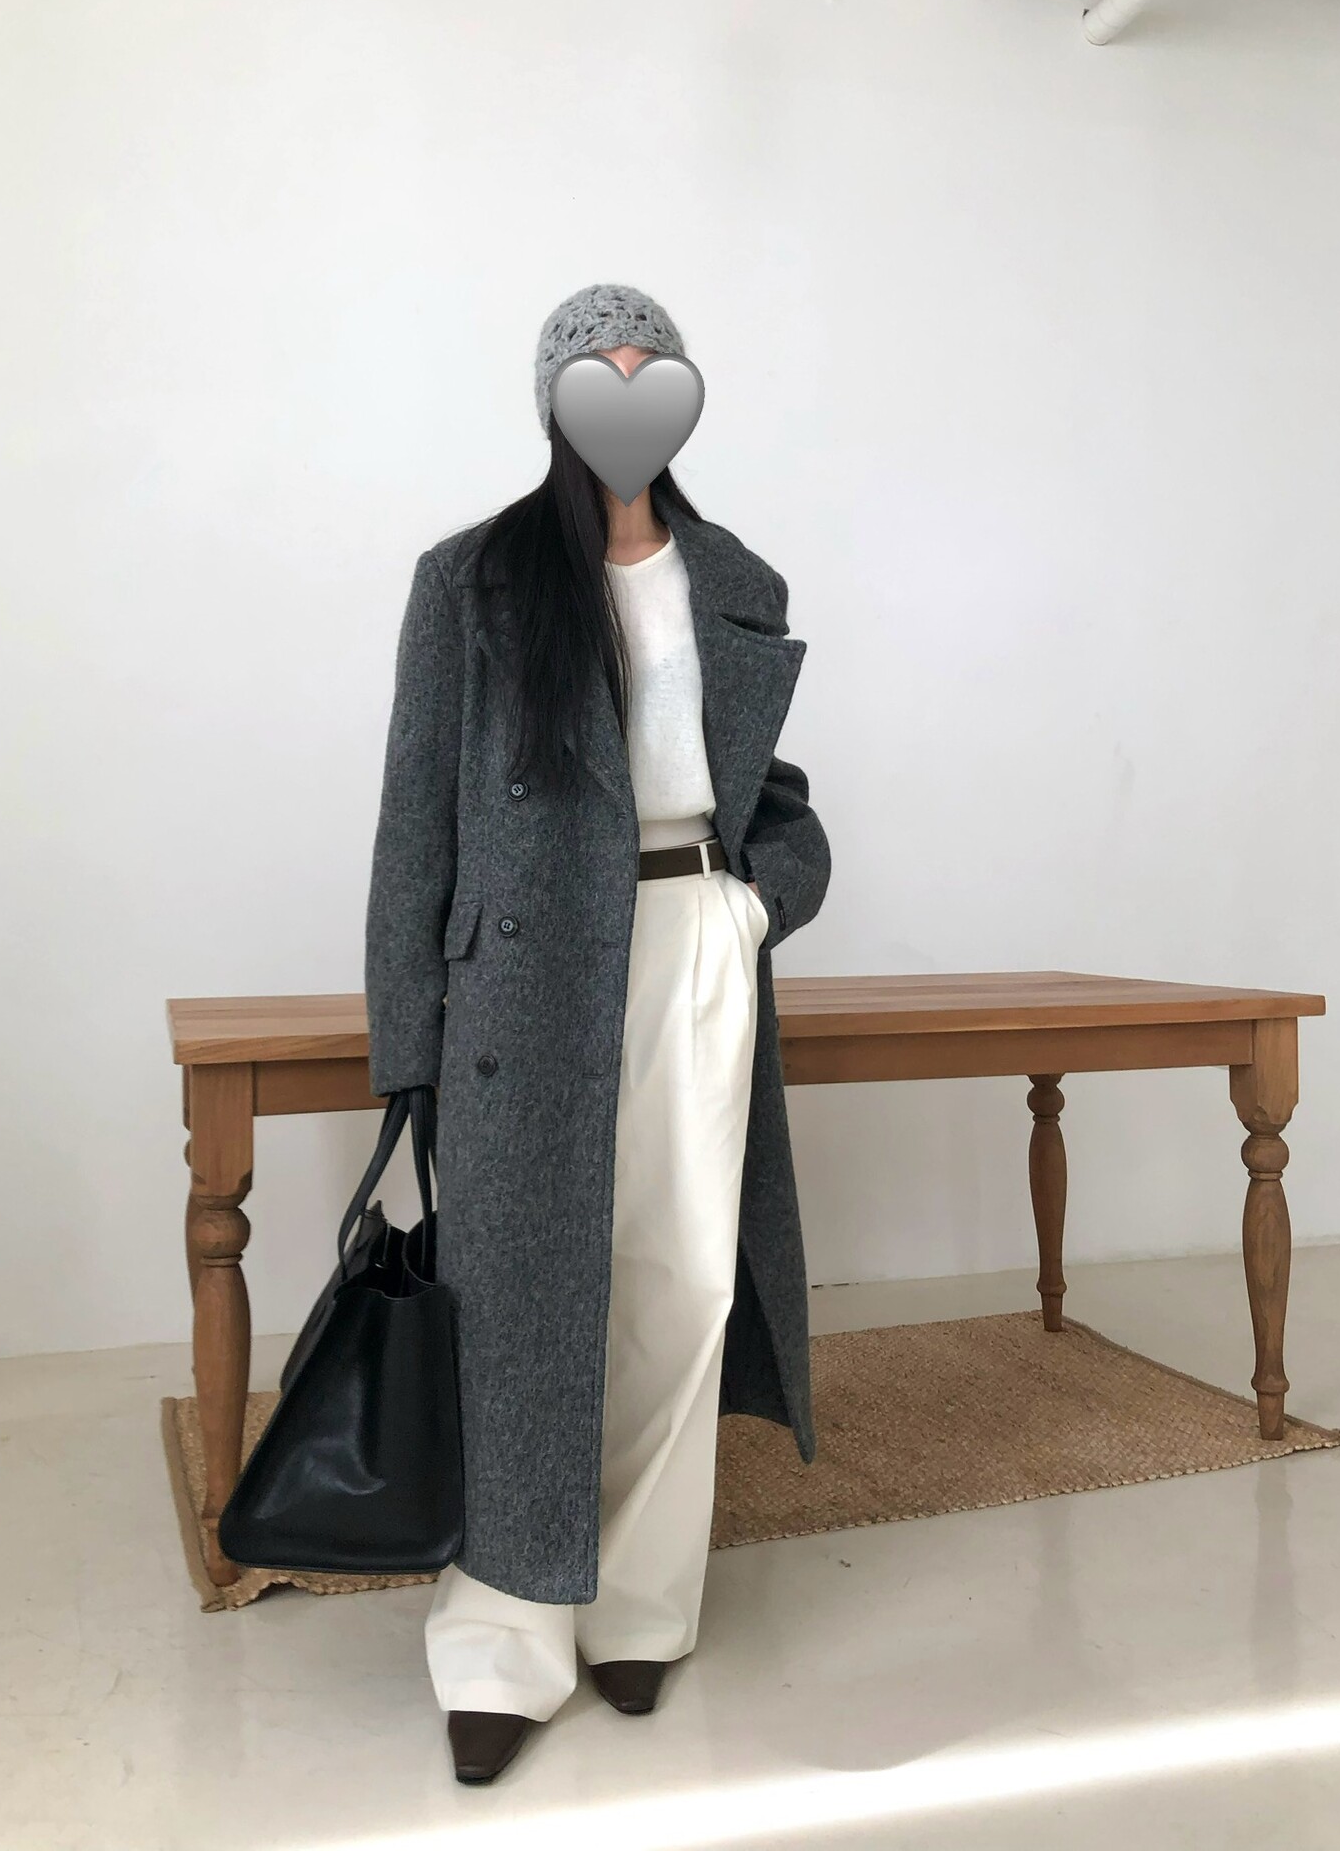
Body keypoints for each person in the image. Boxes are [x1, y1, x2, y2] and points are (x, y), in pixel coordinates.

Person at [364, 283, 831, 1785]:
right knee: (520, 1301)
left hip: (695, 943)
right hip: (526, 976)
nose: (626, 390)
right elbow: (414, 826)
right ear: (555, 397)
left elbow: (775, 801)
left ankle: (640, 1603)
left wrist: (758, 904)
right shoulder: (473, 580)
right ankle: (501, 1641)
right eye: (598, 368)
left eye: (651, 366)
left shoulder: (735, 577)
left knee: (683, 1282)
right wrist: (407, 1045)